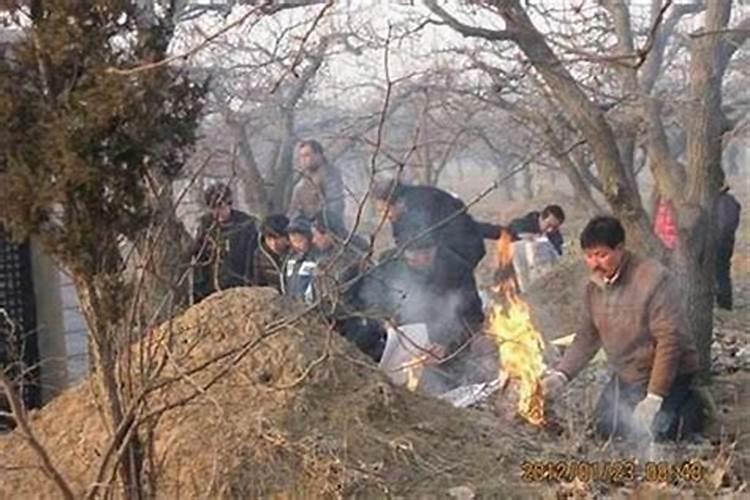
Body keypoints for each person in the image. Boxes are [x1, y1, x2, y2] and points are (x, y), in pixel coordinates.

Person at [541, 216, 704, 442]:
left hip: (669, 372)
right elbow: (586, 337)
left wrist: (654, 397)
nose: (595, 263)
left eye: (601, 255)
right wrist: (562, 374)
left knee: (657, 431)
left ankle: (692, 404)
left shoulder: (653, 280)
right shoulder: (594, 287)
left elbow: (669, 341)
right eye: (589, 256)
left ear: (620, 249)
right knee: (606, 427)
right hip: (629, 373)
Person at [355, 219, 485, 392]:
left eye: (427, 253)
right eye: (414, 255)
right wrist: (384, 320)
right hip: (400, 341)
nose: (422, 259)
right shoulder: (389, 263)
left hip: (445, 345)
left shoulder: (457, 269)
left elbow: (473, 316)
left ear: (437, 248)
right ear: (402, 250)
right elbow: (371, 300)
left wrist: (447, 345)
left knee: (446, 389)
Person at [372, 178, 486, 281]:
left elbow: (417, 246)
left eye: (384, 210)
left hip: (459, 253)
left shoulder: (418, 209)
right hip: (446, 255)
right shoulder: (405, 207)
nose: (385, 216)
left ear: (399, 203)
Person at [192, 183, 258, 303]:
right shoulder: (206, 225)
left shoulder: (245, 224)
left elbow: (251, 258)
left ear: (229, 204)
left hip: (239, 284)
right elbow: (200, 258)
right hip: (212, 289)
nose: (218, 213)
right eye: (214, 208)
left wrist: (249, 284)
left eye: (221, 207)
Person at [288, 140, 346, 229]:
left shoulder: (331, 175)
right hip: (306, 228)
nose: (303, 159)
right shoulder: (302, 181)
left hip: (326, 229)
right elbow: (294, 210)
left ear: (319, 155)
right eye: (301, 156)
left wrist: (322, 226)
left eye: (307, 155)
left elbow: (335, 205)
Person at [478, 205, 566, 256]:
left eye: (555, 227)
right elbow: (501, 232)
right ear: (542, 217)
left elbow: (559, 251)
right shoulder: (524, 224)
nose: (550, 229)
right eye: (548, 225)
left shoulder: (554, 234)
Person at [714, 184, 741, 310]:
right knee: (723, 273)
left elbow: (723, 227)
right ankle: (725, 304)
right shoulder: (732, 201)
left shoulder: (718, 202)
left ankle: (723, 304)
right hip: (727, 243)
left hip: (717, 243)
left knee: (720, 274)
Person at [284, 215, 317, 303]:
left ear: (310, 238)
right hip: (293, 307)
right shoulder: (291, 260)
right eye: (293, 241)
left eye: (300, 241)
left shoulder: (316, 259)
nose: (296, 245)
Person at [253, 214, 290, 293]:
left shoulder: (295, 254)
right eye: (269, 239)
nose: (273, 244)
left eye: (278, 238)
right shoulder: (260, 256)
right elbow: (258, 283)